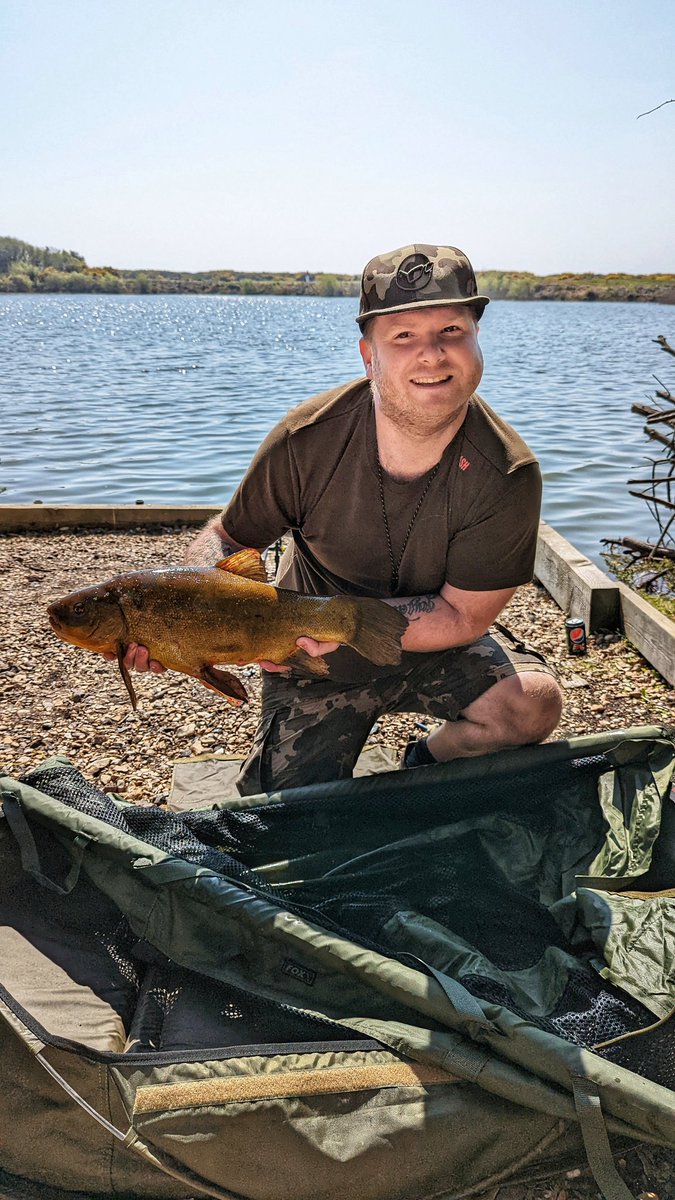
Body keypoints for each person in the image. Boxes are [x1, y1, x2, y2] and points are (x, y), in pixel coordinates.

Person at [120, 243, 563, 794]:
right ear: (368, 355)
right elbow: (227, 535)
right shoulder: (307, 439)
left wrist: (352, 623)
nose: (431, 354)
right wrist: (189, 620)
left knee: (531, 707)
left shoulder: (508, 472)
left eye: (451, 329)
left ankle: (425, 758)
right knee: (289, 811)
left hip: (433, 644)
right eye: (402, 336)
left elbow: (462, 617)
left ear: (476, 341)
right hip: (310, 656)